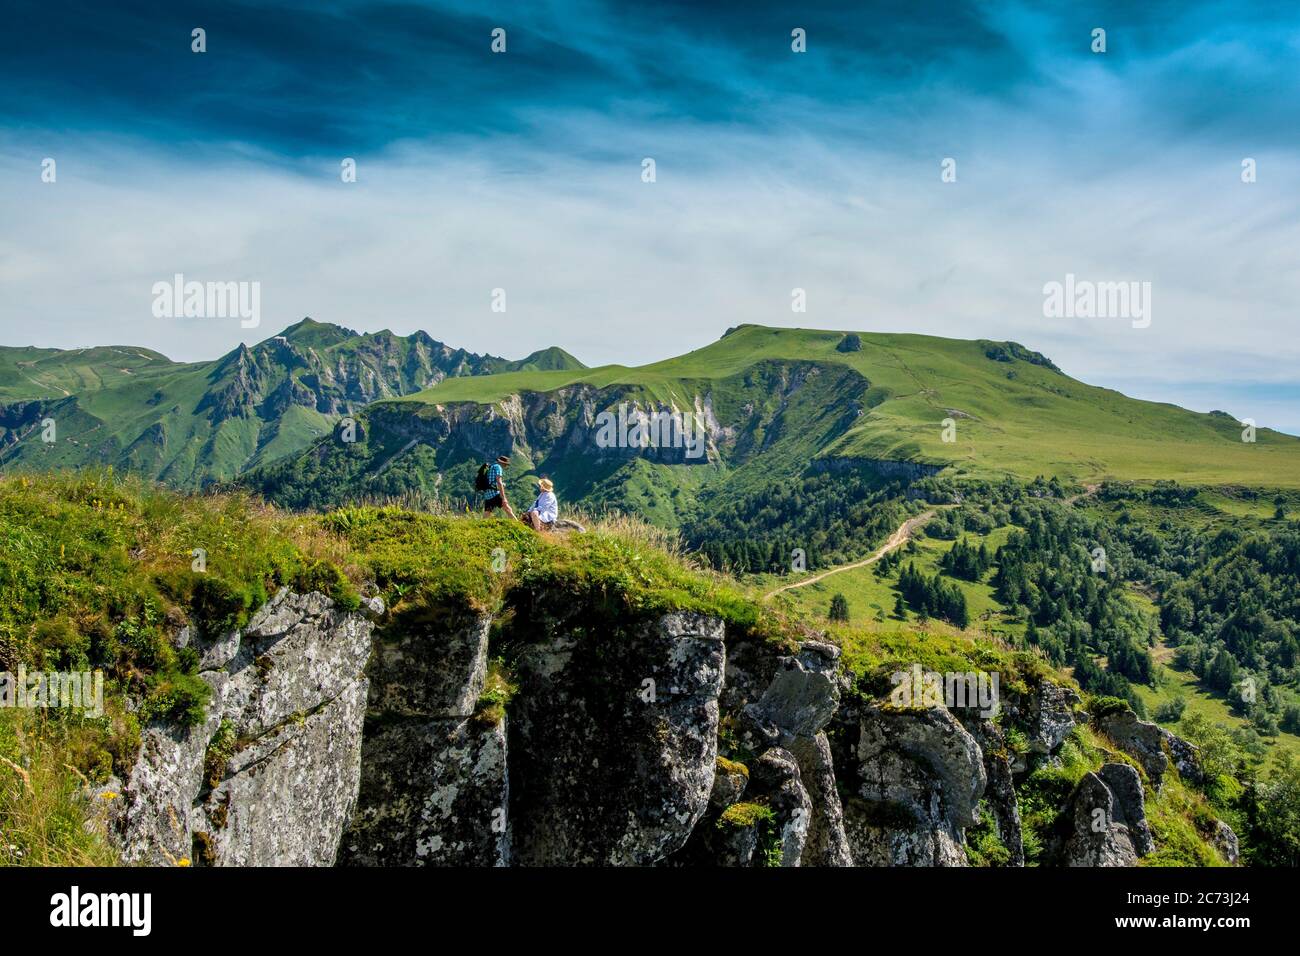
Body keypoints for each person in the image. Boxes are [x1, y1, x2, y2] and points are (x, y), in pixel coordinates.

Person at [483, 455, 516, 519]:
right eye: (505, 464)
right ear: (502, 463)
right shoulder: (498, 467)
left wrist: (501, 484)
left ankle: (480, 527)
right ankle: (519, 525)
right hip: (494, 493)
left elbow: (491, 480)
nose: (506, 466)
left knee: (487, 512)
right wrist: (503, 498)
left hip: (488, 494)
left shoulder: (491, 467)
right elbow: (499, 481)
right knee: (508, 509)